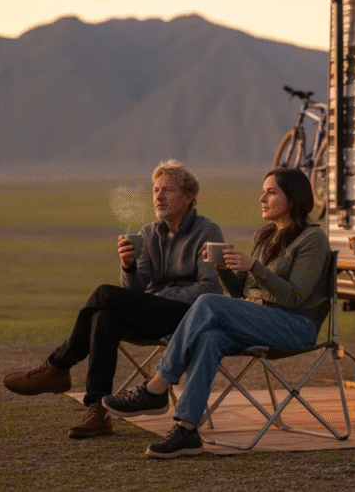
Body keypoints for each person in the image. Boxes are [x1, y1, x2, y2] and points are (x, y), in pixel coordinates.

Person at [101, 168, 331, 458]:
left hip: (296, 326)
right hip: (260, 320)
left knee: (209, 302)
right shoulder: (266, 237)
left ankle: (157, 386)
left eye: (271, 192)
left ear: (294, 198)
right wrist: (227, 271)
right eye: (263, 191)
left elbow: (294, 296)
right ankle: (186, 429)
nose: (262, 198)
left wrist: (253, 267)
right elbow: (244, 295)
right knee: (210, 337)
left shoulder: (312, 240)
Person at [3, 160, 224, 439]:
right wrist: (129, 265)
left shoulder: (207, 230)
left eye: (167, 190)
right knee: (103, 317)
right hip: (151, 314)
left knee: (104, 294)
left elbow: (209, 289)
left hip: (188, 317)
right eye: (155, 190)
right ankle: (98, 411)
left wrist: (158, 297)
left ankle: (59, 365)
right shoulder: (148, 234)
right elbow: (134, 290)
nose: (158, 196)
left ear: (189, 197)